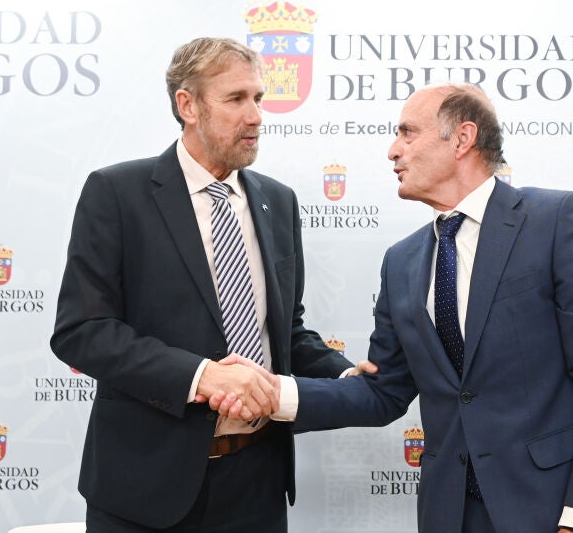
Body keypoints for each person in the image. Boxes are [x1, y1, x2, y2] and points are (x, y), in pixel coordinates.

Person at [215, 83, 573, 532]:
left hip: (558, 509)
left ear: (462, 139)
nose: (393, 150)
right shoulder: (401, 261)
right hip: (452, 514)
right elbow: (384, 392)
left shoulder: (555, 221)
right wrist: (273, 393)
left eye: (408, 133)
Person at [50, 37, 358, 532]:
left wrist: (349, 381)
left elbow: (286, 334)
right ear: (187, 105)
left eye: (258, 98)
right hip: (143, 488)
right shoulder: (117, 193)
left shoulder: (278, 202)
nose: (255, 116)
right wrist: (202, 376)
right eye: (236, 99)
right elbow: (83, 332)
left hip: (257, 483)